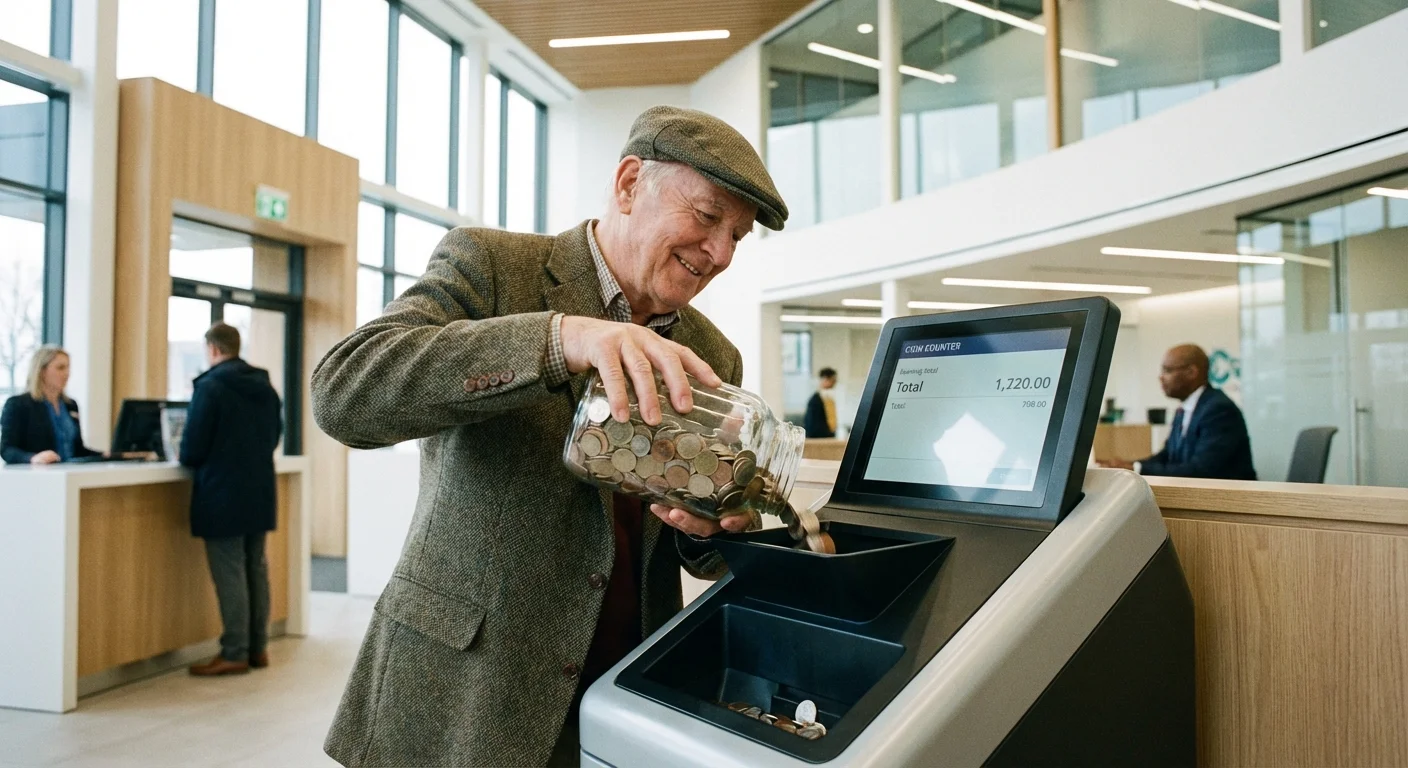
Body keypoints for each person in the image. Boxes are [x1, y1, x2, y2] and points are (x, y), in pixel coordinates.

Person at [312, 106, 788, 767]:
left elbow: (697, 549)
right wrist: (561, 338)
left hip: (617, 698)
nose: (721, 254)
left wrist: (714, 529)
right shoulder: (492, 265)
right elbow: (344, 394)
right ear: (628, 185)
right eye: (708, 218)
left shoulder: (714, 356)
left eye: (738, 235)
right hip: (465, 693)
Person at [180, 322, 284, 676]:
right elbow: (274, 436)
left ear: (212, 349)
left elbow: (192, 448)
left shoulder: (210, 387)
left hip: (221, 492)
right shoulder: (264, 386)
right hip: (258, 489)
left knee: (230, 571)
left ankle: (234, 651)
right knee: (255, 567)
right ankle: (258, 648)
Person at [1098, 344, 1256, 480]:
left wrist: (1137, 470)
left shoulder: (1219, 409)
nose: (1161, 378)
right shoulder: (1184, 409)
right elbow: (1168, 456)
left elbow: (1202, 470)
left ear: (1191, 372)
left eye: (1167, 370)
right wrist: (1131, 466)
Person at [1, 346, 104, 465]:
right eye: (60, 368)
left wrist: (106, 455)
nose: (67, 373)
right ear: (42, 371)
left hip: (69, 476)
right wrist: (32, 458)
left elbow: (78, 450)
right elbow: (7, 450)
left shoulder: (70, 405)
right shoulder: (18, 404)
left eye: (68, 368)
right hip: (37, 476)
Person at [803, 367, 838, 438]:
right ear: (825, 379)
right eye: (832, 380)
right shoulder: (815, 400)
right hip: (819, 439)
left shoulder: (829, 398)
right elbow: (811, 425)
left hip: (829, 437)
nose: (834, 383)